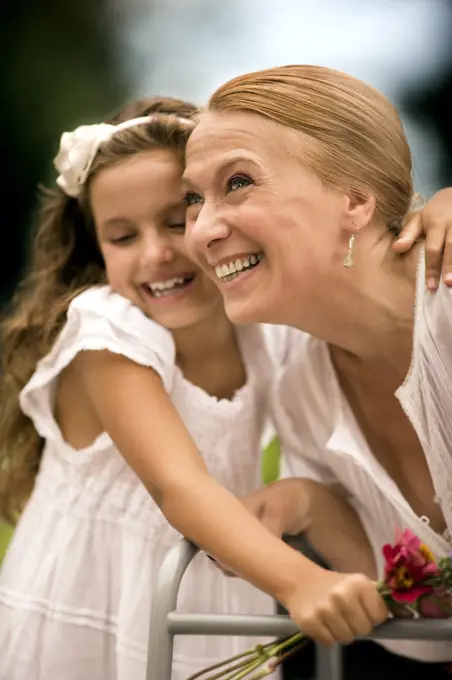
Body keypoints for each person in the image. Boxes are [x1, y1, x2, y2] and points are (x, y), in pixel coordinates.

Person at [0, 95, 301, 680]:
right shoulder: (107, 330)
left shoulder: (267, 332)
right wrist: (304, 582)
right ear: (96, 251)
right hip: (91, 615)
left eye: (175, 219)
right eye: (122, 237)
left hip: (215, 602)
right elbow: (178, 484)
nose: (157, 254)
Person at [183, 65, 452, 678]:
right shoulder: (300, 391)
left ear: (355, 201)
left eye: (239, 182)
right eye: (193, 198)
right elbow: (417, 622)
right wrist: (308, 503)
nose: (201, 230)